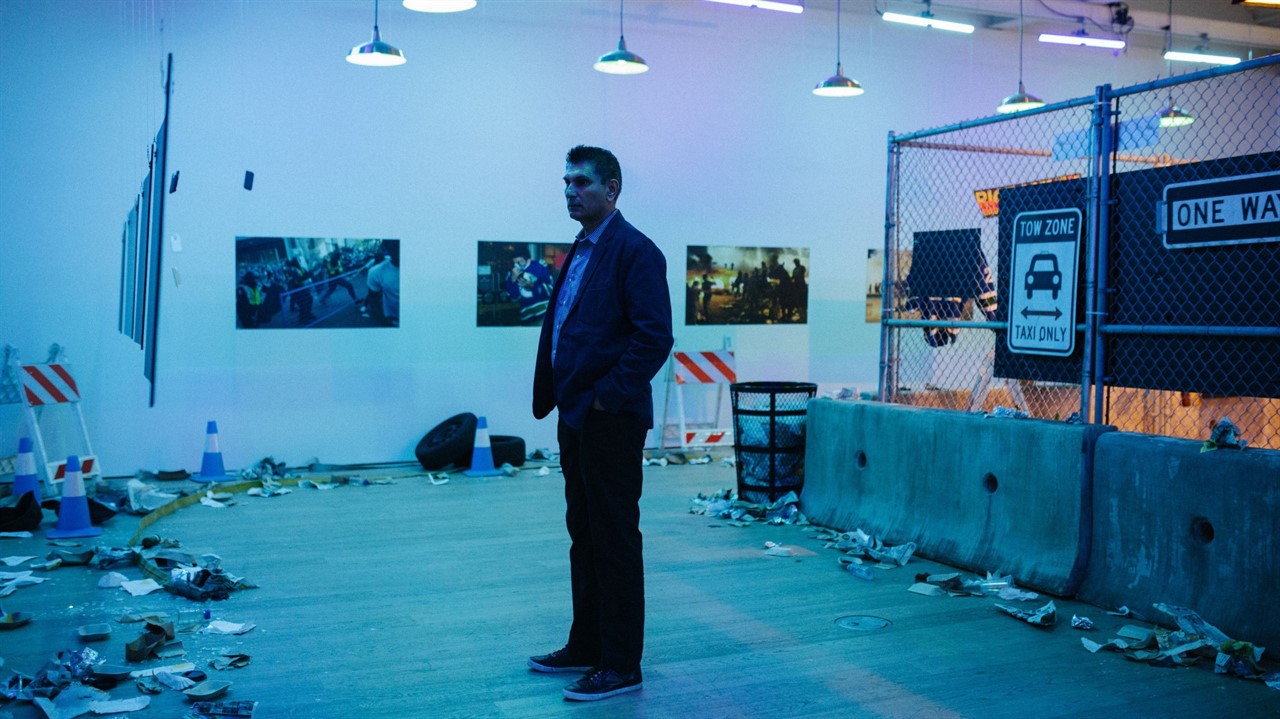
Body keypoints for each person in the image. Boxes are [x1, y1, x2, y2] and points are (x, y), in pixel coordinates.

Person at [529, 146, 673, 702]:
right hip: (576, 416)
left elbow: (653, 337)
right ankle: (587, 643)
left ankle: (621, 663)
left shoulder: (635, 251)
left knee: (613, 539)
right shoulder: (584, 249)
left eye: (582, 182)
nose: (570, 191)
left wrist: (604, 400)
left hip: (607, 419)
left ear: (612, 190)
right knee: (583, 535)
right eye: (565, 181)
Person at [505, 253, 554, 326]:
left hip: (544, 314)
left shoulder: (539, 266)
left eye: (519, 262)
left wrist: (533, 286)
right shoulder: (511, 274)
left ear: (528, 260)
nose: (517, 265)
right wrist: (513, 280)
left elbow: (551, 290)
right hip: (526, 317)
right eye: (515, 263)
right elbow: (513, 298)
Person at [366, 243, 400, 327]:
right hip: (394, 320)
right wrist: (382, 320)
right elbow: (372, 296)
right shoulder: (375, 269)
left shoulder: (385, 259)